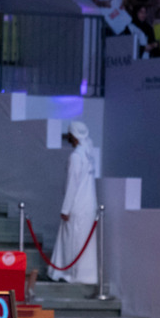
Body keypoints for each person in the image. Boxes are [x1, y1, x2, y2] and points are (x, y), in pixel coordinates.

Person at [48, 121, 98, 284]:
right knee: (83, 242)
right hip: (88, 206)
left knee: (73, 241)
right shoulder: (88, 155)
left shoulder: (77, 156)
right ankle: (84, 275)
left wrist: (66, 208)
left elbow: (72, 184)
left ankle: (69, 274)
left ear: (73, 136)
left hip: (77, 206)